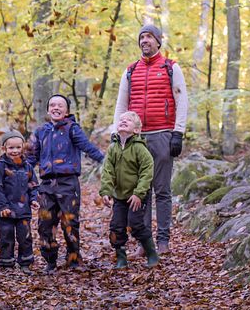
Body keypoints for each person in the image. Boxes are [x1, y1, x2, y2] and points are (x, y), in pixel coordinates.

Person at [113, 24, 188, 254]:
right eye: (141, 37)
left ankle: (163, 240)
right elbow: (121, 104)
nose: (144, 41)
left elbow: (181, 100)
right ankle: (145, 242)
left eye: (149, 37)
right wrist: (118, 133)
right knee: (140, 191)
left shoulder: (170, 67)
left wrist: (178, 132)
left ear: (158, 41)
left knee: (162, 190)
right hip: (136, 139)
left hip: (163, 134)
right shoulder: (130, 70)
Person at [28, 94, 105, 273]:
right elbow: (31, 157)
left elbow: (87, 147)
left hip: (68, 183)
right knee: (45, 224)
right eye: (52, 105)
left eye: (60, 105)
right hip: (46, 185)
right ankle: (50, 260)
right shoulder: (41, 131)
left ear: (67, 111)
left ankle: (73, 259)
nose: (56, 108)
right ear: (48, 110)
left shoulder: (72, 129)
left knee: (70, 223)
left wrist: (105, 160)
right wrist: (19, 173)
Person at [100, 112, 158, 269]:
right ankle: (121, 258)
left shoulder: (140, 148)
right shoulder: (113, 148)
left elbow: (147, 171)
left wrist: (139, 193)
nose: (123, 121)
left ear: (137, 130)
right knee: (116, 227)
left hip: (136, 196)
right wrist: (106, 191)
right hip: (119, 196)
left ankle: (152, 255)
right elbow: (107, 171)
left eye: (128, 120)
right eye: (121, 120)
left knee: (135, 224)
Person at [0, 130, 39, 274]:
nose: (15, 151)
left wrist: (34, 199)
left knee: (25, 237)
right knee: (6, 236)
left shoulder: (27, 166)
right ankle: (6, 263)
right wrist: (2, 206)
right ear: (4, 149)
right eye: (11, 148)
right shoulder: (1, 166)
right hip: (5, 210)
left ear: (23, 147)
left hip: (23, 210)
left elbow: (33, 185)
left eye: (18, 147)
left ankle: (25, 263)